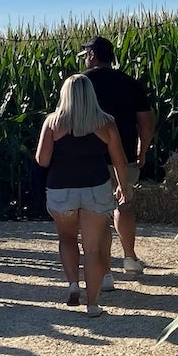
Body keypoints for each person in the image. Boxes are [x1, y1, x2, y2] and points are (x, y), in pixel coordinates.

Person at [34, 75, 129, 317]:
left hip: (61, 189)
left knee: (67, 239)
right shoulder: (105, 123)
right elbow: (119, 159)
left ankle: (73, 284)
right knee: (93, 249)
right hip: (95, 188)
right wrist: (122, 185)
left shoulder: (53, 123)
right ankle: (93, 304)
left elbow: (42, 160)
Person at [80, 36, 156, 280]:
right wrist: (142, 150)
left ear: (92, 55)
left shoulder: (81, 84)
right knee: (123, 204)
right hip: (124, 155)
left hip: (91, 157)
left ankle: (105, 271)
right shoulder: (129, 83)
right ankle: (130, 258)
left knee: (98, 213)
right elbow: (145, 122)